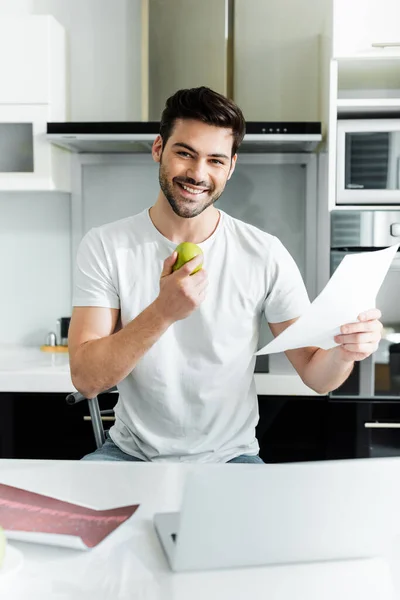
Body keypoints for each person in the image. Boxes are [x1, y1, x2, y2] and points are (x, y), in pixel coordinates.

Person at [68, 86, 382, 464]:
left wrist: (346, 351)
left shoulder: (264, 253)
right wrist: (163, 312)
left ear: (231, 167)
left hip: (232, 458)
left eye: (215, 160)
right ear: (158, 149)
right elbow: (86, 379)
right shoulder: (106, 245)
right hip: (129, 454)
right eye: (185, 153)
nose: (198, 174)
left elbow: (317, 375)